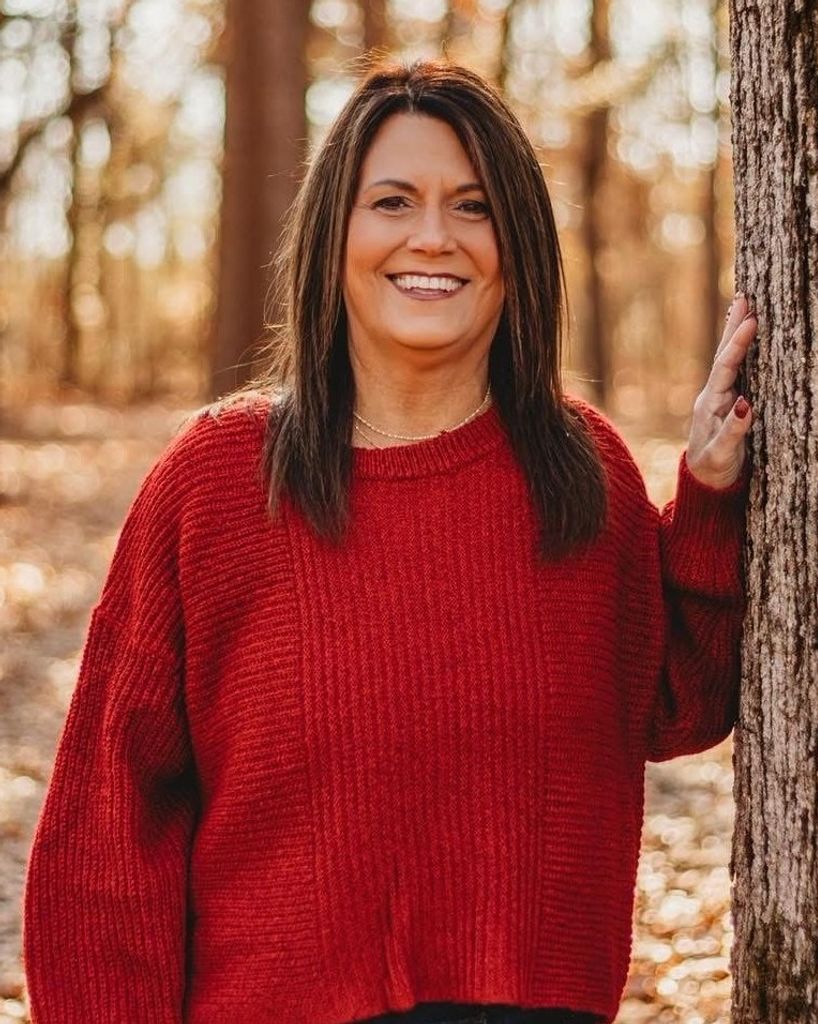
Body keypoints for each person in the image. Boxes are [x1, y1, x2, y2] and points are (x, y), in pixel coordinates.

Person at [21, 58, 756, 1024]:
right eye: (394, 200)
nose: (433, 237)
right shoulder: (219, 484)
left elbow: (678, 703)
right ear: (336, 235)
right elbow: (109, 829)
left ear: (518, 245)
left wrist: (707, 496)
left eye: (474, 207)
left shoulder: (581, 473)